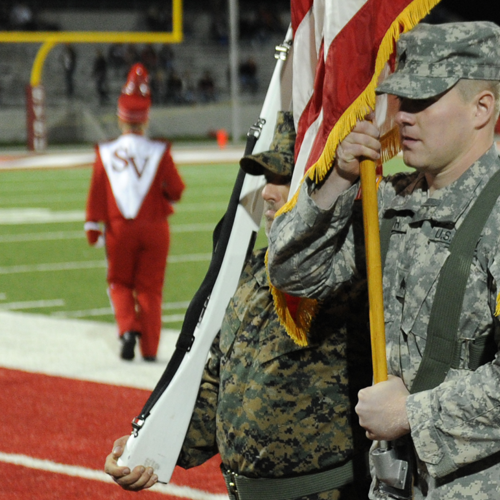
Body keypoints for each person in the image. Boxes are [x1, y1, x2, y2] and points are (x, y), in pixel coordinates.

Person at [266, 21, 500, 499]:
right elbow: (294, 274)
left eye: (423, 101)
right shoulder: (389, 203)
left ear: (482, 108)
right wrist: (337, 181)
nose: (403, 116)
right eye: (403, 100)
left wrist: (412, 415)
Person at [104, 114, 370, 499]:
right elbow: (218, 381)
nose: (268, 193)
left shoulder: (357, 268)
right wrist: (147, 446)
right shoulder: (248, 270)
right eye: (267, 179)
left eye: (286, 177)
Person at [86, 63, 185, 361]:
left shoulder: (105, 152)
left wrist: (92, 226)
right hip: (155, 227)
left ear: (120, 117)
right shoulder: (159, 151)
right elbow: (176, 190)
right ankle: (151, 350)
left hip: (119, 228)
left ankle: (128, 328)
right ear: (146, 117)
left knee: (119, 283)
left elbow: (97, 192)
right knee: (150, 290)